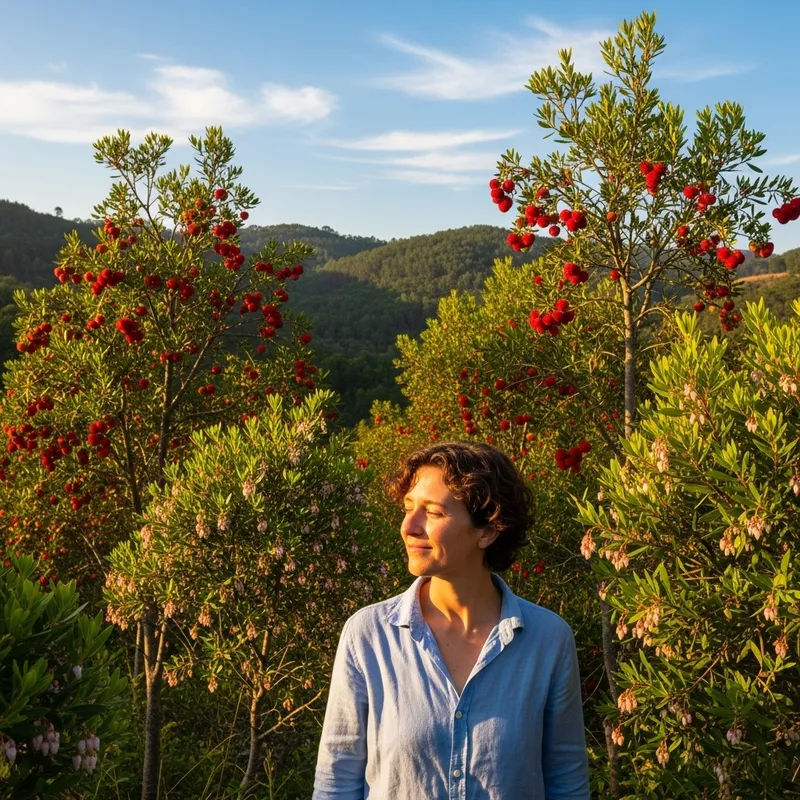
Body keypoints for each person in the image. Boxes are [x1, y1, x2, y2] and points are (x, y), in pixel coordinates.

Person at [313, 440, 590, 799]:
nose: (409, 526)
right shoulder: (368, 636)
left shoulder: (548, 640)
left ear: (488, 530)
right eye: (408, 508)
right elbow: (336, 781)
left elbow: (566, 782)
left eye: (433, 512)